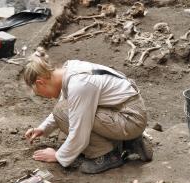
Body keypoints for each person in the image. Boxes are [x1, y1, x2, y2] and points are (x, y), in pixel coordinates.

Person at [24, 47, 152, 174]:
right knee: (63, 110)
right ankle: (129, 141)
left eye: (40, 93)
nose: (47, 97)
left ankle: (107, 155)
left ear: (40, 82)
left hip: (130, 118)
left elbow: (79, 131)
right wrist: (43, 128)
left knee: (63, 112)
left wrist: (58, 156)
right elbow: (69, 106)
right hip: (127, 112)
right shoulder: (69, 69)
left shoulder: (79, 84)